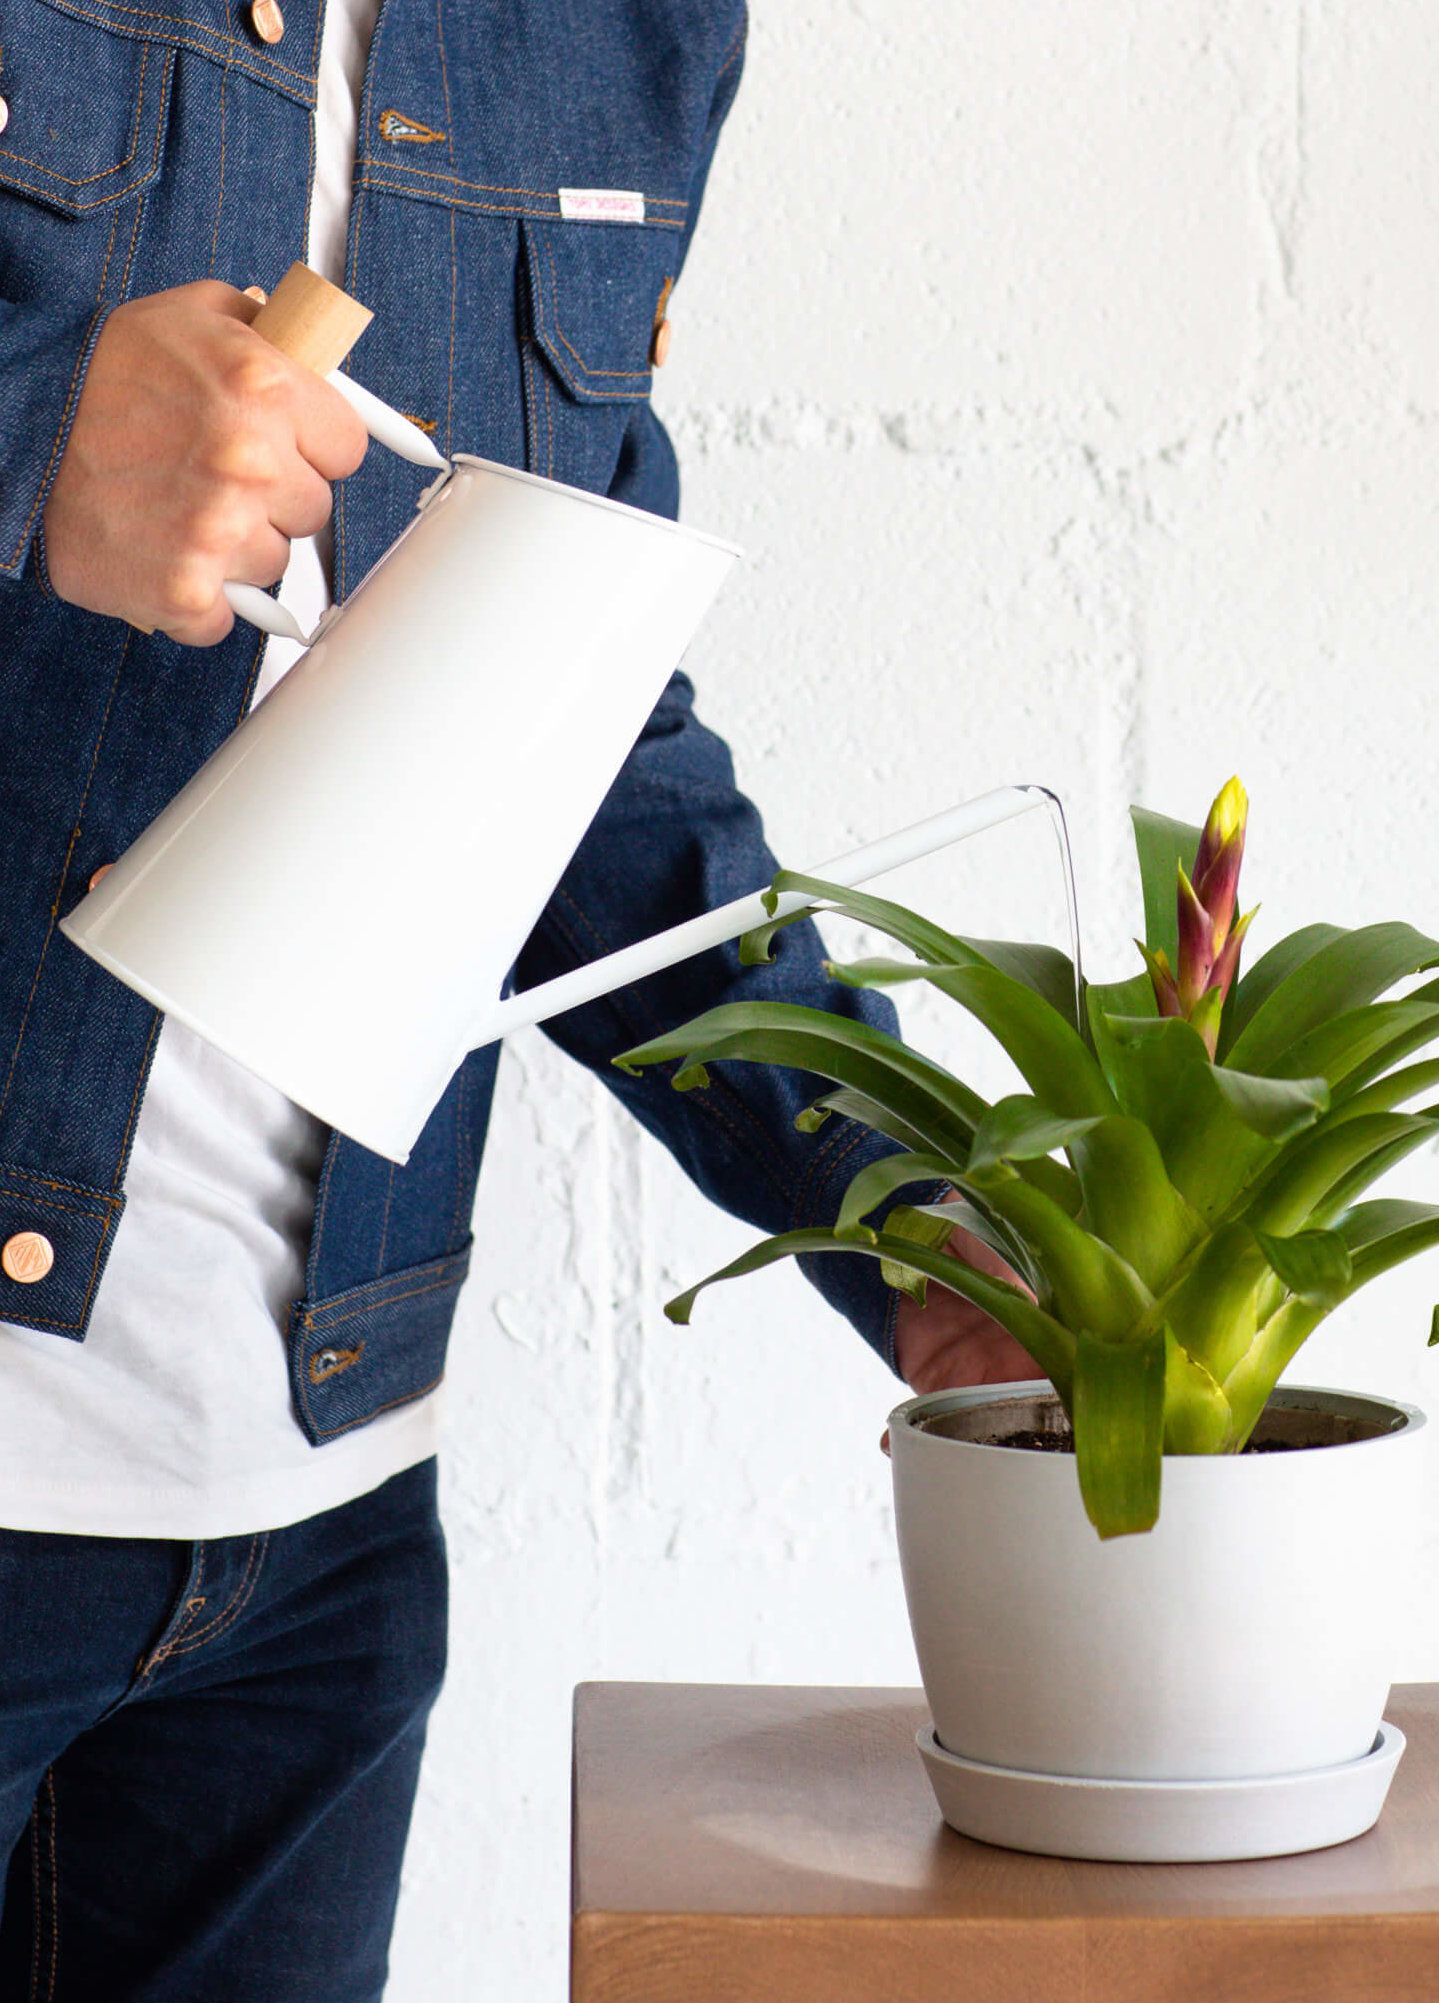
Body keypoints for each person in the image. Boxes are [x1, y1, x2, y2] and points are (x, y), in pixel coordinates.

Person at [0, 1, 1031, 1993]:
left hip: (313, 1538)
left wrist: (904, 1213)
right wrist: (40, 431)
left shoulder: (626, 34)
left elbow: (562, 744)